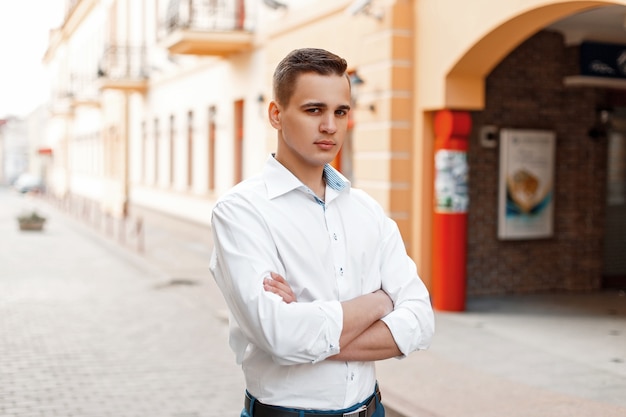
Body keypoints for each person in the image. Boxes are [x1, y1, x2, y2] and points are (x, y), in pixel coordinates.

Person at [210, 48, 434, 417]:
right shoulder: (240, 211)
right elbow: (280, 337)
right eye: (314, 110)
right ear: (276, 115)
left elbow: (421, 322)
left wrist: (308, 324)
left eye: (341, 111)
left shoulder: (367, 211)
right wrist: (380, 302)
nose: (330, 125)